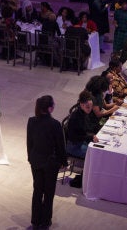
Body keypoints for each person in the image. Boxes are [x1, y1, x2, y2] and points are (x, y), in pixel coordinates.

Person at [27, 95, 67, 229]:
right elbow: (60, 145)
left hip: (36, 161)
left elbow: (29, 143)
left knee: (37, 190)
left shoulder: (31, 121)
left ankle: (35, 220)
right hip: (50, 163)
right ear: (50, 108)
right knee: (49, 193)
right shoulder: (55, 124)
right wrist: (63, 162)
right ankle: (45, 221)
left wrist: (30, 158)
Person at [66, 90, 98, 158]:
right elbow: (74, 138)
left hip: (81, 142)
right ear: (81, 105)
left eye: (91, 106)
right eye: (88, 107)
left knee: (98, 149)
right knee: (95, 154)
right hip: (74, 146)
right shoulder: (76, 118)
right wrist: (90, 136)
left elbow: (84, 131)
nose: (90, 109)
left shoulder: (83, 112)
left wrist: (91, 136)